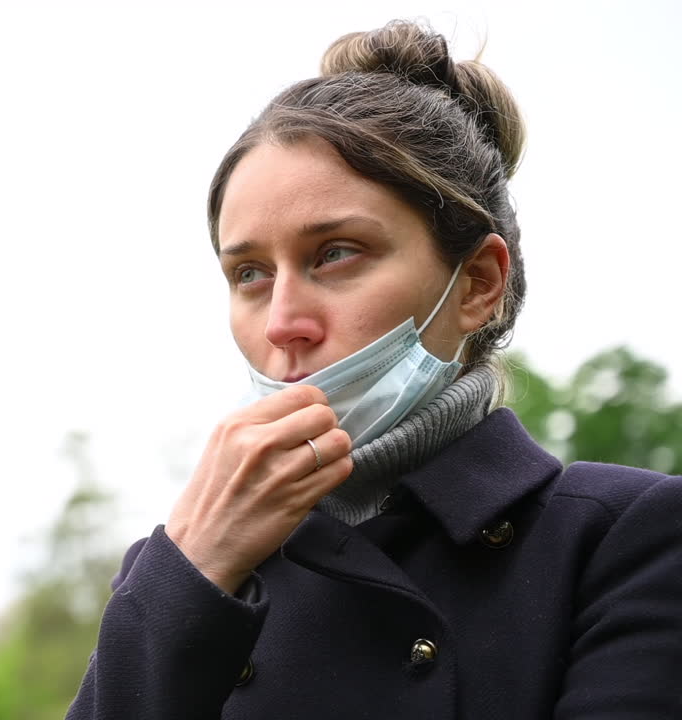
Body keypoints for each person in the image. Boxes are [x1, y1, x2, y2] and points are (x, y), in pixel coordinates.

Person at [65, 20, 682, 720]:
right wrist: (193, 571)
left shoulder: (623, 539)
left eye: (336, 253)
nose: (282, 320)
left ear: (478, 283)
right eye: (250, 273)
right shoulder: (185, 569)